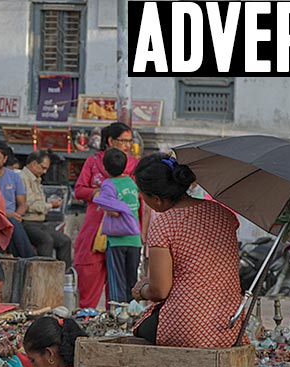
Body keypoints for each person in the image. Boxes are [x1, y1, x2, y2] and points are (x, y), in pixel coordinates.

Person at [130, 154, 242, 347]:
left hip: (189, 328)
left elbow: (160, 290)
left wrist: (141, 291)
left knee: (141, 328)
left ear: (156, 200)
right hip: (229, 325)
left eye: (142, 195)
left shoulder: (165, 224)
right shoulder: (222, 214)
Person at [74, 122, 139, 308]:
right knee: (89, 277)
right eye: (123, 141)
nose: (127, 145)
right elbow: (79, 190)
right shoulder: (93, 162)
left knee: (122, 287)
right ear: (110, 141)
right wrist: (95, 194)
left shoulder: (134, 165)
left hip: (125, 232)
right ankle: (88, 318)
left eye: (129, 141)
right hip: (95, 230)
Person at [96, 148, 143, 303]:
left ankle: (118, 317)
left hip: (116, 240)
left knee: (117, 282)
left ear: (104, 168)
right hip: (134, 239)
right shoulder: (131, 182)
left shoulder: (108, 184)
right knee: (132, 281)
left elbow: (114, 212)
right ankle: (132, 314)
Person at [21, 150, 71, 269]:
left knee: (65, 241)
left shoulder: (36, 179)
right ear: (33, 164)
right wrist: (49, 205)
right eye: (43, 168)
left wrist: (48, 204)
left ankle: (64, 277)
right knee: (46, 240)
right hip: (27, 222)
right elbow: (29, 204)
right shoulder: (23, 178)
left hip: (39, 222)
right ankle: (44, 273)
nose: (44, 172)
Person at [0, 140, 34, 258]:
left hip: (12, 219)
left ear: (4, 159)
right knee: (11, 224)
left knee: (13, 225)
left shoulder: (14, 177)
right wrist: (7, 215)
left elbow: (22, 204)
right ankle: (29, 259)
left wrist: (17, 214)